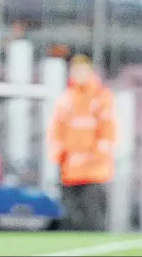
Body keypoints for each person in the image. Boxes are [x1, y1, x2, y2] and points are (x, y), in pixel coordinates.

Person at [48, 54, 116, 231]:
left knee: (93, 219)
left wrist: (93, 157)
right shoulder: (66, 98)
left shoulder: (101, 97)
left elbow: (108, 131)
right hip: (70, 171)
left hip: (94, 172)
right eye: (75, 70)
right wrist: (59, 155)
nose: (78, 74)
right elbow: (56, 130)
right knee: (70, 220)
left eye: (82, 70)